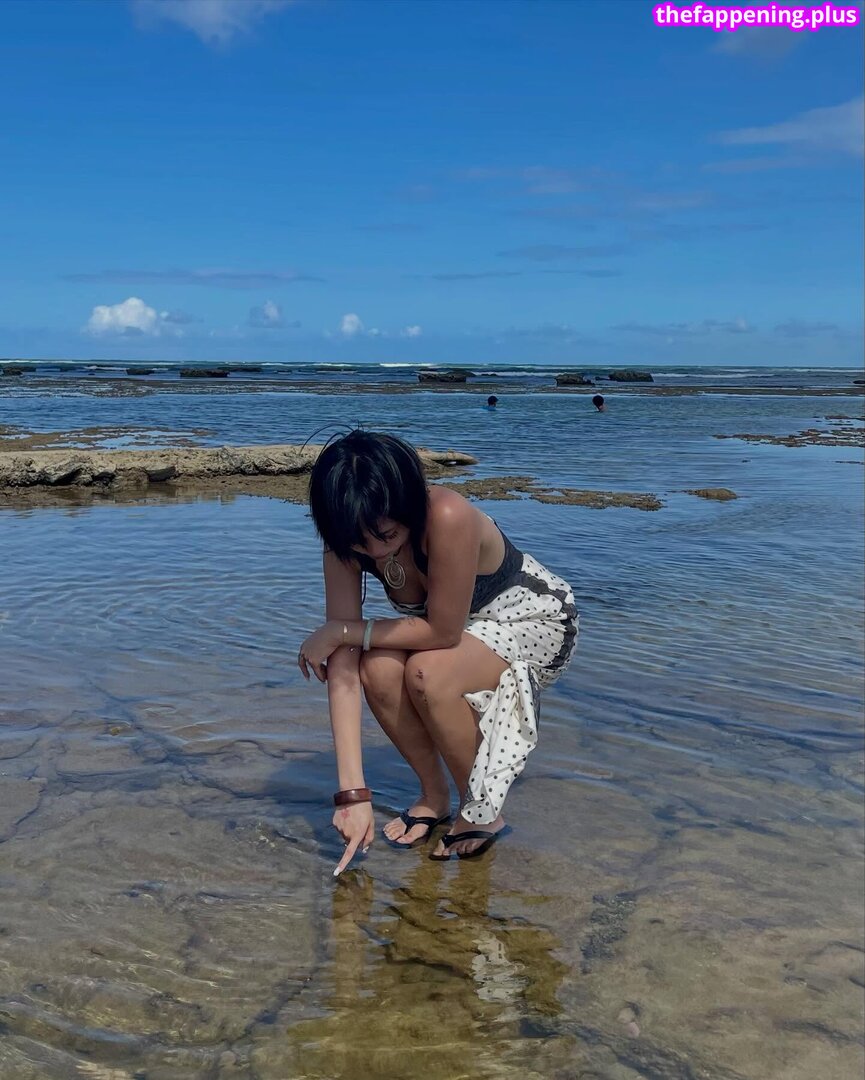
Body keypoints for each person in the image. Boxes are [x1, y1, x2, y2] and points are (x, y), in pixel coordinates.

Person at [298, 430, 578, 875]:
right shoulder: (346, 538)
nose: (376, 550)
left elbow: (443, 633)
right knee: (377, 668)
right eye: (360, 543)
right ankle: (433, 796)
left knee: (426, 671)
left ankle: (480, 809)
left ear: (408, 503)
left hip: (531, 622)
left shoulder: (446, 515)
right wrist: (353, 795)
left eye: (388, 534)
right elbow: (345, 665)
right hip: (451, 630)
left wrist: (341, 629)